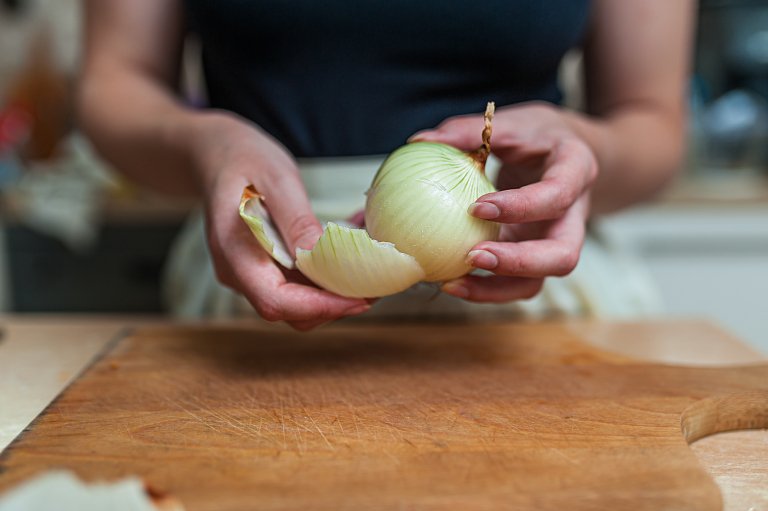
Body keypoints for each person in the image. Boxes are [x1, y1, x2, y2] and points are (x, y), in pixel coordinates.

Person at [77, 1, 694, 330]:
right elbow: (115, 82)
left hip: (529, 289)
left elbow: (652, 121)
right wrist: (203, 144)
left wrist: (583, 152)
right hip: (262, 267)